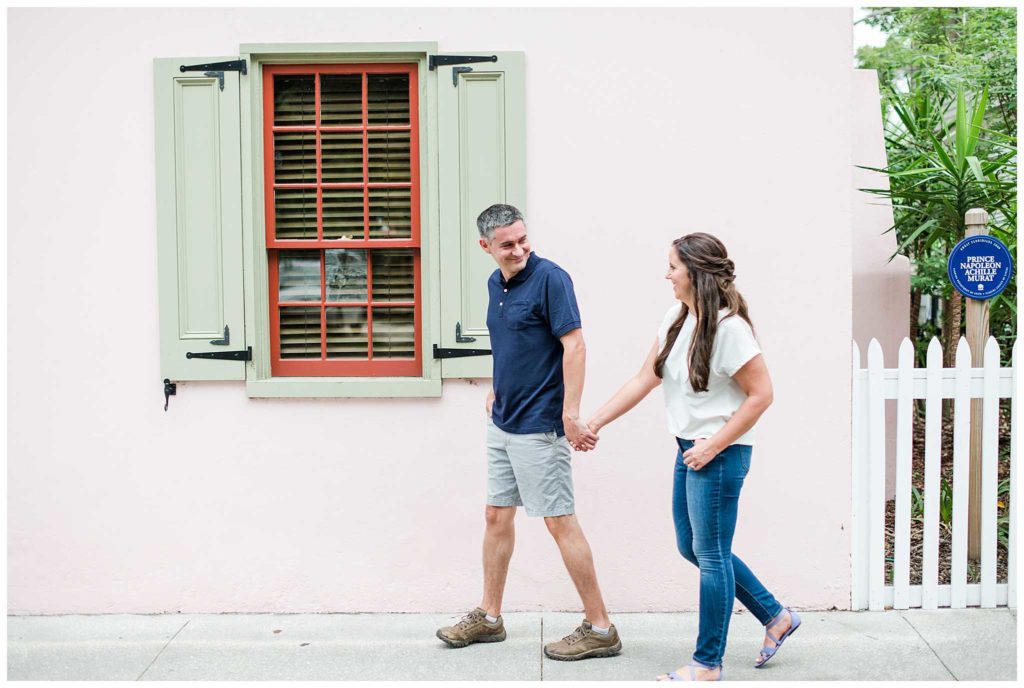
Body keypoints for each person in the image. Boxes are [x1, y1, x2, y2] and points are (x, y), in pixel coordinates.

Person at [584, 233, 800, 681]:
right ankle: (776, 616)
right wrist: (595, 422)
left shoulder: (730, 329)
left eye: (672, 267)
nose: (666, 274)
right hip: (690, 449)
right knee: (693, 547)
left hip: (718, 455)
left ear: (695, 273)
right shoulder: (678, 318)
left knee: (713, 556)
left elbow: (762, 396)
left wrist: (714, 445)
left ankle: (707, 663)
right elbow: (645, 377)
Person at [436, 203, 622, 661]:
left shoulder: (550, 279)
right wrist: (496, 388)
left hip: (540, 425)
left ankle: (601, 627)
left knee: (559, 521)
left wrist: (570, 413)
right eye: (507, 244)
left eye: (523, 239)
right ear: (486, 247)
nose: (518, 248)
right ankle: (490, 617)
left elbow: (574, 345)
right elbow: (509, 341)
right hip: (503, 422)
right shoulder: (495, 283)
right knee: (496, 516)